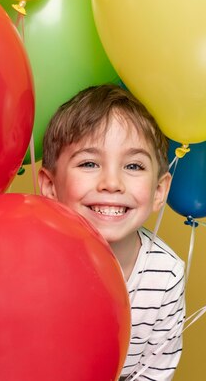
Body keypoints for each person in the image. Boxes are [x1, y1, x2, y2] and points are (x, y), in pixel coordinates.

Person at [38, 84, 185, 381]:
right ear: (50, 186)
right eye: (89, 163)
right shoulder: (32, 260)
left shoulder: (166, 274)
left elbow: (154, 372)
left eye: (133, 165)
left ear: (159, 191)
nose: (112, 182)